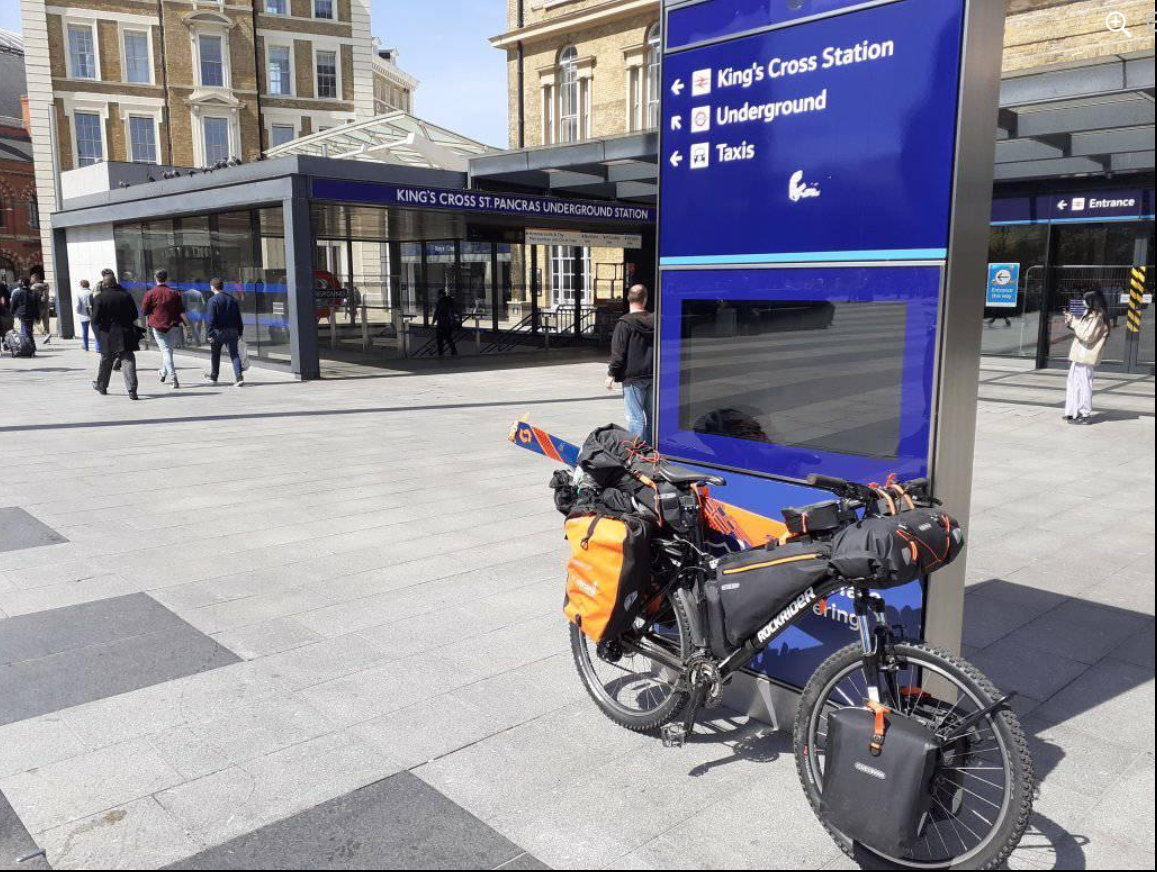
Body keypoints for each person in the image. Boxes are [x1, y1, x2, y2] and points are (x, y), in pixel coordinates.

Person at [606, 284, 655, 442]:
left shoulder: (624, 323)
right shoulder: (657, 321)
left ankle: (637, 451)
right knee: (652, 416)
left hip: (633, 378)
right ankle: (651, 447)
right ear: (645, 299)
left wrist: (611, 374)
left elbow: (618, 352)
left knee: (635, 418)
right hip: (653, 375)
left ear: (628, 299)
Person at [90, 269, 141, 400]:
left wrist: (100, 332)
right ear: (115, 282)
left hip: (107, 334)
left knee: (106, 361)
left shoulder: (99, 298)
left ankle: (102, 386)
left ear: (104, 284)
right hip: (125, 332)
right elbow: (135, 315)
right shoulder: (126, 295)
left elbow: (95, 320)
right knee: (128, 360)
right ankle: (132, 390)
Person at [1063, 289, 1111, 426]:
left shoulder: (1098, 318)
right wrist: (1071, 319)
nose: (1083, 302)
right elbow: (1080, 329)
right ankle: (1072, 411)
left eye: (1086, 300)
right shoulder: (1089, 314)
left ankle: (1085, 414)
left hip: (1086, 355)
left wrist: (1073, 322)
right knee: (1073, 383)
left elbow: (1087, 336)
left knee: (1084, 385)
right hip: (1079, 354)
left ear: (1093, 301)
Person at [141, 269, 187, 388]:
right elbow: (181, 311)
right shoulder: (175, 293)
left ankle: (173, 378)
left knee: (166, 351)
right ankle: (163, 371)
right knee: (168, 351)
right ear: (167, 278)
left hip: (158, 326)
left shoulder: (150, 293)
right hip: (172, 325)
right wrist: (187, 325)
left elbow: (144, 311)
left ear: (155, 278)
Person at [204, 277, 245, 386]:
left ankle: (214, 377)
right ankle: (239, 377)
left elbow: (211, 319)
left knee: (215, 354)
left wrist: (210, 334)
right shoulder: (232, 299)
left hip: (218, 332)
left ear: (212, 287)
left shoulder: (213, 300)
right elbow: (238, 317)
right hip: (233, 331)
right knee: (234, 354)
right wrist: (240, 331)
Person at [9, 277, 39, 349]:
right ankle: (30, 346)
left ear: (22, 283)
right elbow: (36, 305)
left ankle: (30, 346)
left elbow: (13, 305)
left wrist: (11, 313)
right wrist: (37, 316)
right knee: (28, 330)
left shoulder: (17, 293)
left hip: (21, 314)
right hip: (31, 314)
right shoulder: (34, 293)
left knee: (26, 331)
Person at [432, 290, 460, 358]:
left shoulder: (441, 302)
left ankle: (441, 352)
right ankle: (454, 350)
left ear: (441, 295)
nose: (437, 296)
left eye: (438, 294)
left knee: (440, 339)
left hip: (442, 323)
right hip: (450, 323)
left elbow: (437, 312)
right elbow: (456, 311)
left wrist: (433, 321)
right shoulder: (450, 301)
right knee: (448, 337)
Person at [30, 268, 51, 344]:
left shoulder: (34, 287)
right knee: (46, 324)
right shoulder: (46, 285)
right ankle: (47, 340)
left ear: (34, 279)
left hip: (38, 307)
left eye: (31, 279)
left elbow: (33, 297)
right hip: (46, 306)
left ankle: (45, 334)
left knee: (35, 322)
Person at [75, 279, 97, 352]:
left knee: (85, 331)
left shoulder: (79, 293)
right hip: (93, 314)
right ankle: (98, 347)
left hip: (83, 315)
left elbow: (79, 305)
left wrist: (78, 311)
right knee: (95, 331)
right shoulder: (92, 292)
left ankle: (86, 346)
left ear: (81, 285)